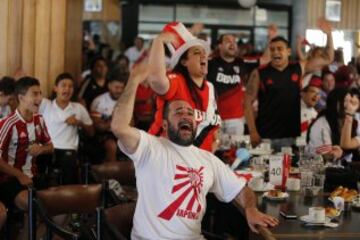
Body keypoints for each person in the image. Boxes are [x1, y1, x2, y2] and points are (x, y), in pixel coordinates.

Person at [110, 63, 278, 240]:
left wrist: (251, 208)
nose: (185, 116)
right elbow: (119, 127)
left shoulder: (207, 159)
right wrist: (134, 79)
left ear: (196, 124)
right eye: (178, 112)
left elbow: (240, 189)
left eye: (190, 113)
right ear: (165, 125)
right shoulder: (149, 147)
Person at [244, 18, 334, 151]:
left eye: (279, 49)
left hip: (291, 136)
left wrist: (329, 34)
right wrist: (253, 132)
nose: (275, 52)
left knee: (290, 171)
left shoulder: (299, 68)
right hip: (265, 136)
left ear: (288, 52)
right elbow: (247, 102)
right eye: (272, 49)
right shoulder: (259, 73)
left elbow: (328, 58)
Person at [147, 22, 221, 152]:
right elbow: (156, 79)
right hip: (163, 154)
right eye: (197, 52)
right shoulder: (176, 80)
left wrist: (214, 145)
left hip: (198, 163)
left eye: (205, 53)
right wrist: (159, 41)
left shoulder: (211, 88)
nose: (204, 55)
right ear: (184, 61)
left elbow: (214, 127)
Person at [0, 77, 53, 230]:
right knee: (36, 205)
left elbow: (51, 147)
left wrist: (41, 149)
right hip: (9, 180)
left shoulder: (39, 120)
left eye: (40, 93)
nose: (40, 98)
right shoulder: (7, 123)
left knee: (59, 208)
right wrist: (19, 175)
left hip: (33, 177)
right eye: (34, 94)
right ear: (21, 98)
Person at [207, 29, 275, 136]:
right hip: (212, 118)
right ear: (220, 46)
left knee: (235, 152)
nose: (232, 43)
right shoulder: (210, 63)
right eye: (228, 41)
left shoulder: (242, 62)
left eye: (234, 41)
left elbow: (266, 59)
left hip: (235, 120)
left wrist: (271, 39)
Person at [40, 73, 94, 184]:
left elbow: (91, 133)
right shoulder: (45, 104)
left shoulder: (78, 108)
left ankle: (67, 197)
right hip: (47, 148)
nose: (67, 89)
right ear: (55, 88)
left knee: (69, 163)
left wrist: (79, 123)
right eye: (63, 85)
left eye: (70, 86)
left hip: (68, 149)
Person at [90, 71, 127, 162]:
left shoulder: (126, 102)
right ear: (109, 86)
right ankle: (113, 175)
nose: (119, 90)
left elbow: (131, 123)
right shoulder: (99, 101)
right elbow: (98, 127)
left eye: (121, 88)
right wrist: (115, 120)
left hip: (122, 133)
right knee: (111, 146)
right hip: (103, 135)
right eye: (116, 87)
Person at [306, 88, 347, 158]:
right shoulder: (321, 125)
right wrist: (338, 154)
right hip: (319, 166)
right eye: (346, 101)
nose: (350, 106)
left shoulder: (348, 120)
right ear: (336, 103)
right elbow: (325, 157)